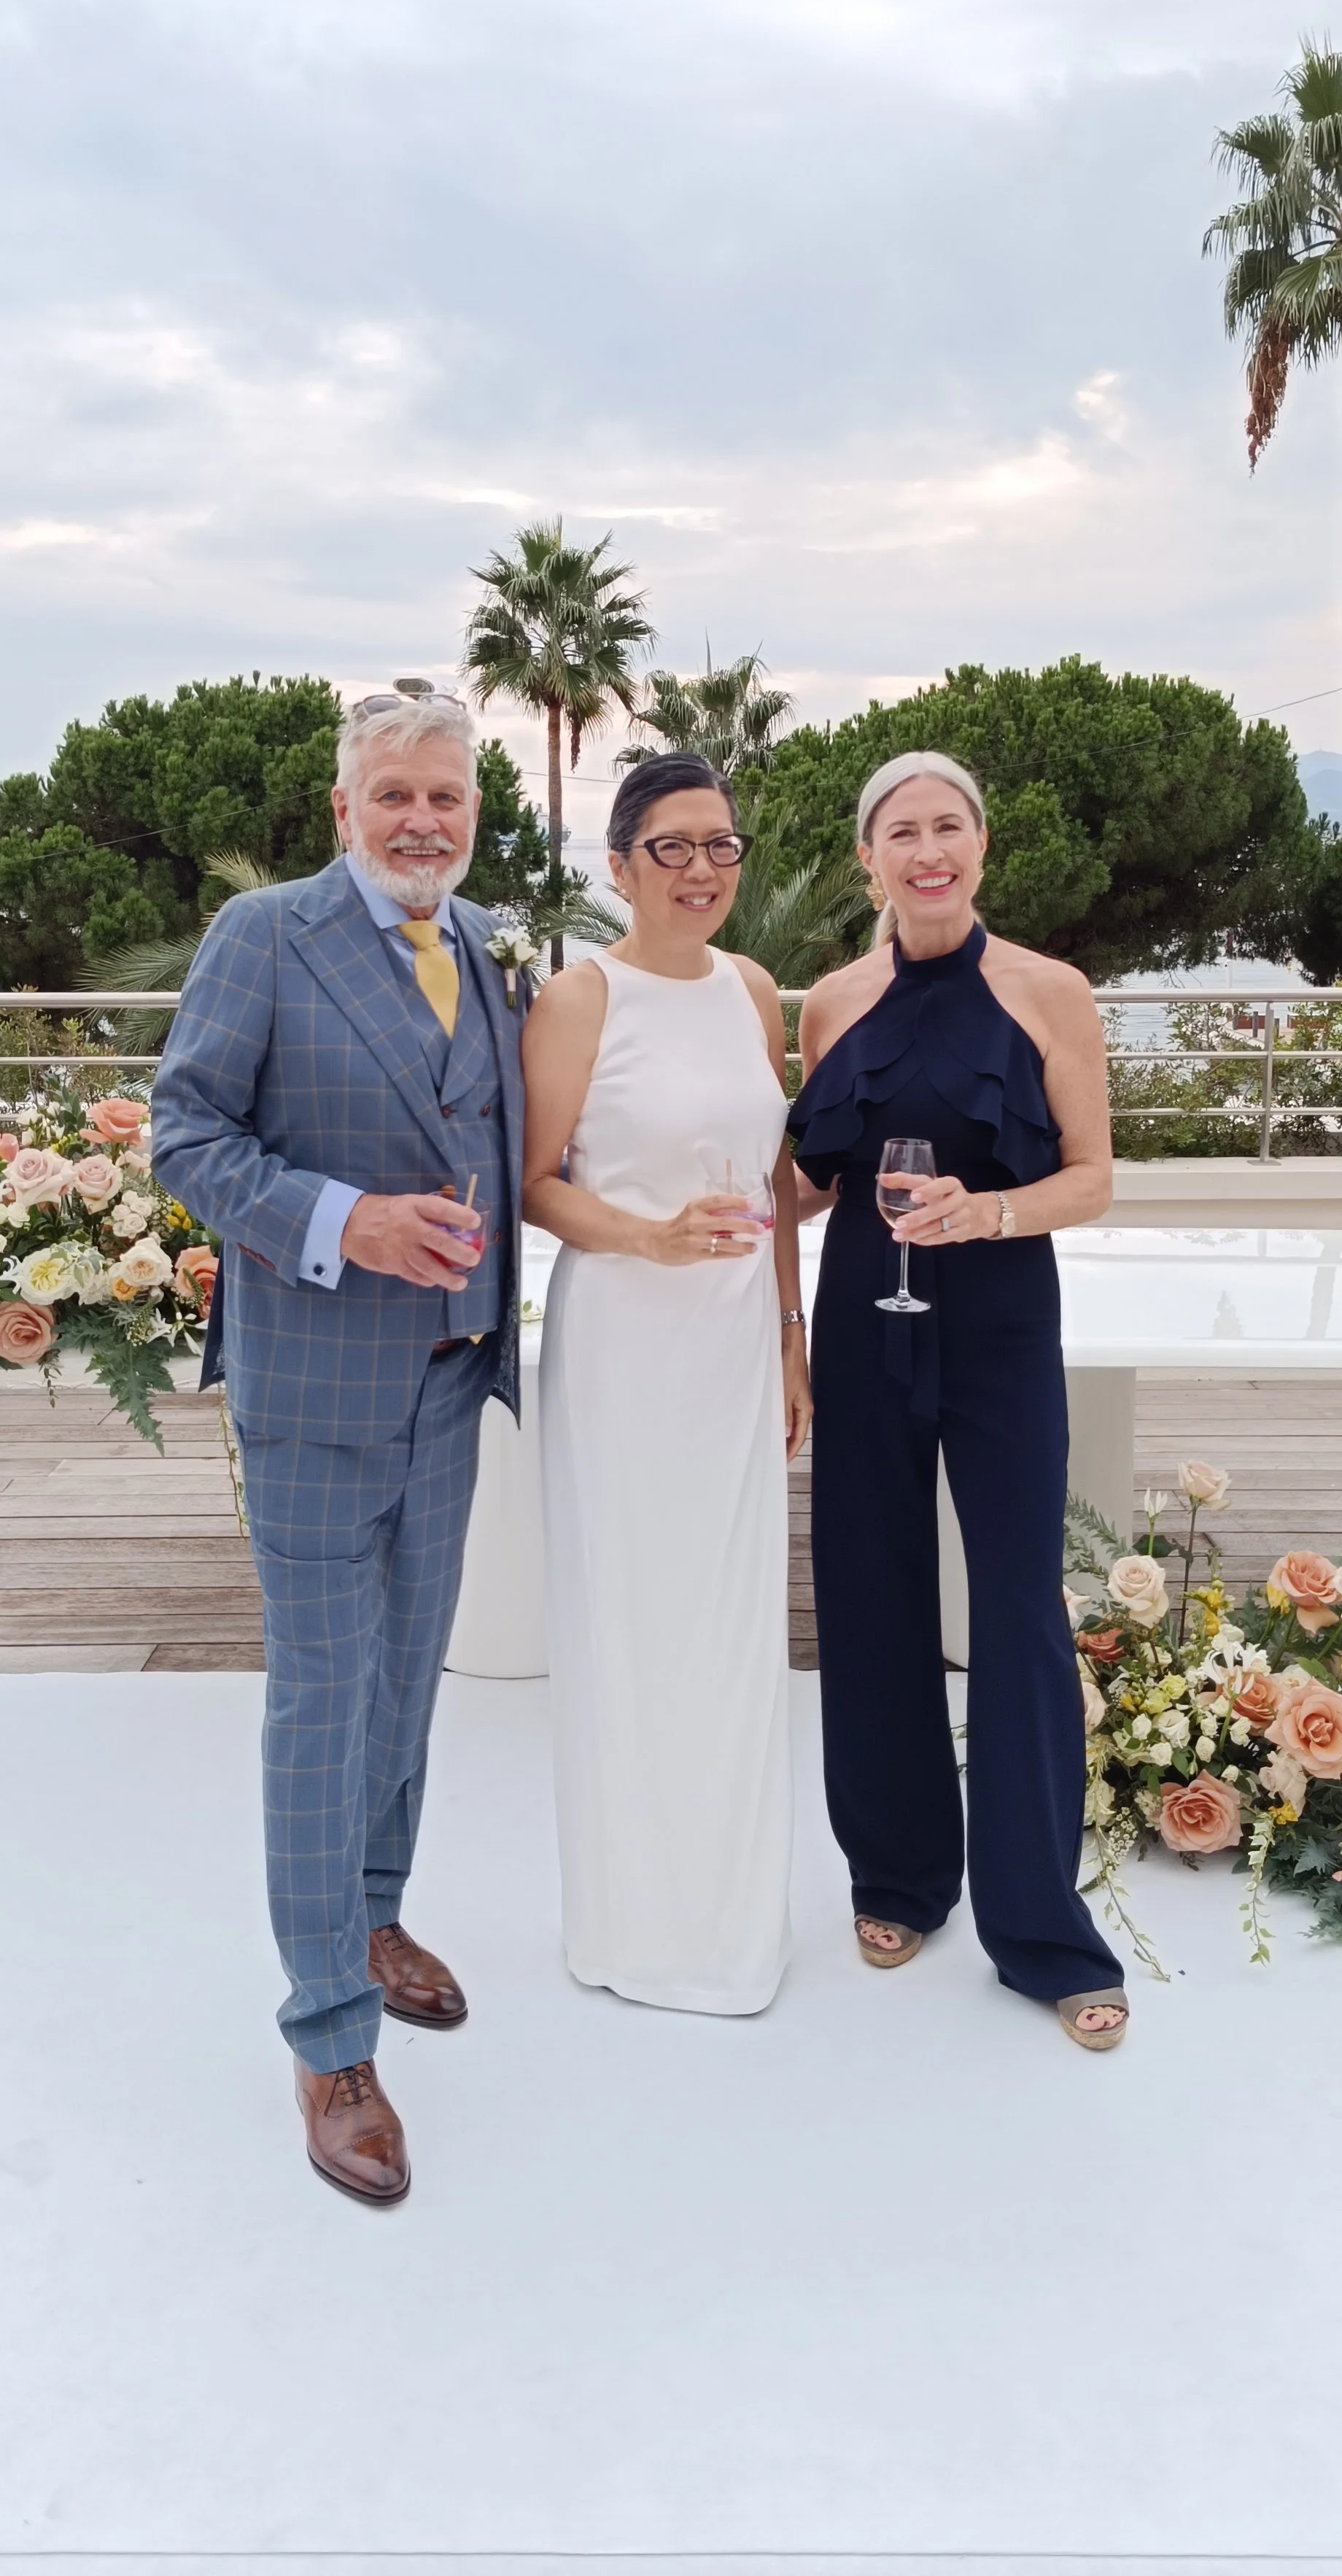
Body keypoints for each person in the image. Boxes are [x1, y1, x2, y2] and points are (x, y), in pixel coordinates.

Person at [152, 687, 528, 2201]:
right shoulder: (264, 937)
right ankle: (327, 2031)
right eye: (396, 797)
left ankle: (372, 1909)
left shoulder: (486, 941)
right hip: (312, 1391)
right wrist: (345, 1222)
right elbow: (184, 1132)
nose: (423, 821)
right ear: (342, 809)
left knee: (405, 1681)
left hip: (449, 1385)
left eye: (447, 797)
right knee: (321, 1700)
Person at [789, 750, 1128, 2051]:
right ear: (869, 858)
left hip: (995, 1318)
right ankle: (898, 1878)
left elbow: (1093, 1178)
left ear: (980, 848)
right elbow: (815, 1176)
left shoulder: (1051, 991)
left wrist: (984, 1211)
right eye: (900, 833)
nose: (927, 851)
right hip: (864, 1312)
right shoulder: (832, 1001)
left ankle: (1043, 1930)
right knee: (870, 1594)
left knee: (1021, 1610)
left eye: (950, 828)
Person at [521, 751, 810, 2014]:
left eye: (721, 846)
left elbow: (777, 1182)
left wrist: (793, 1332)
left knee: (734, 1627)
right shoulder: (581, 1000)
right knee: (632, 1624)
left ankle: (733, 1916)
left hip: (738, 1342)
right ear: (620, 865)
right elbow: (536, 1183)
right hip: (625, 1348)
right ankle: (636, 1930)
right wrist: (648, 1236)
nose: (702, 870)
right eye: (673, 847)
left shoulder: (752, 988)